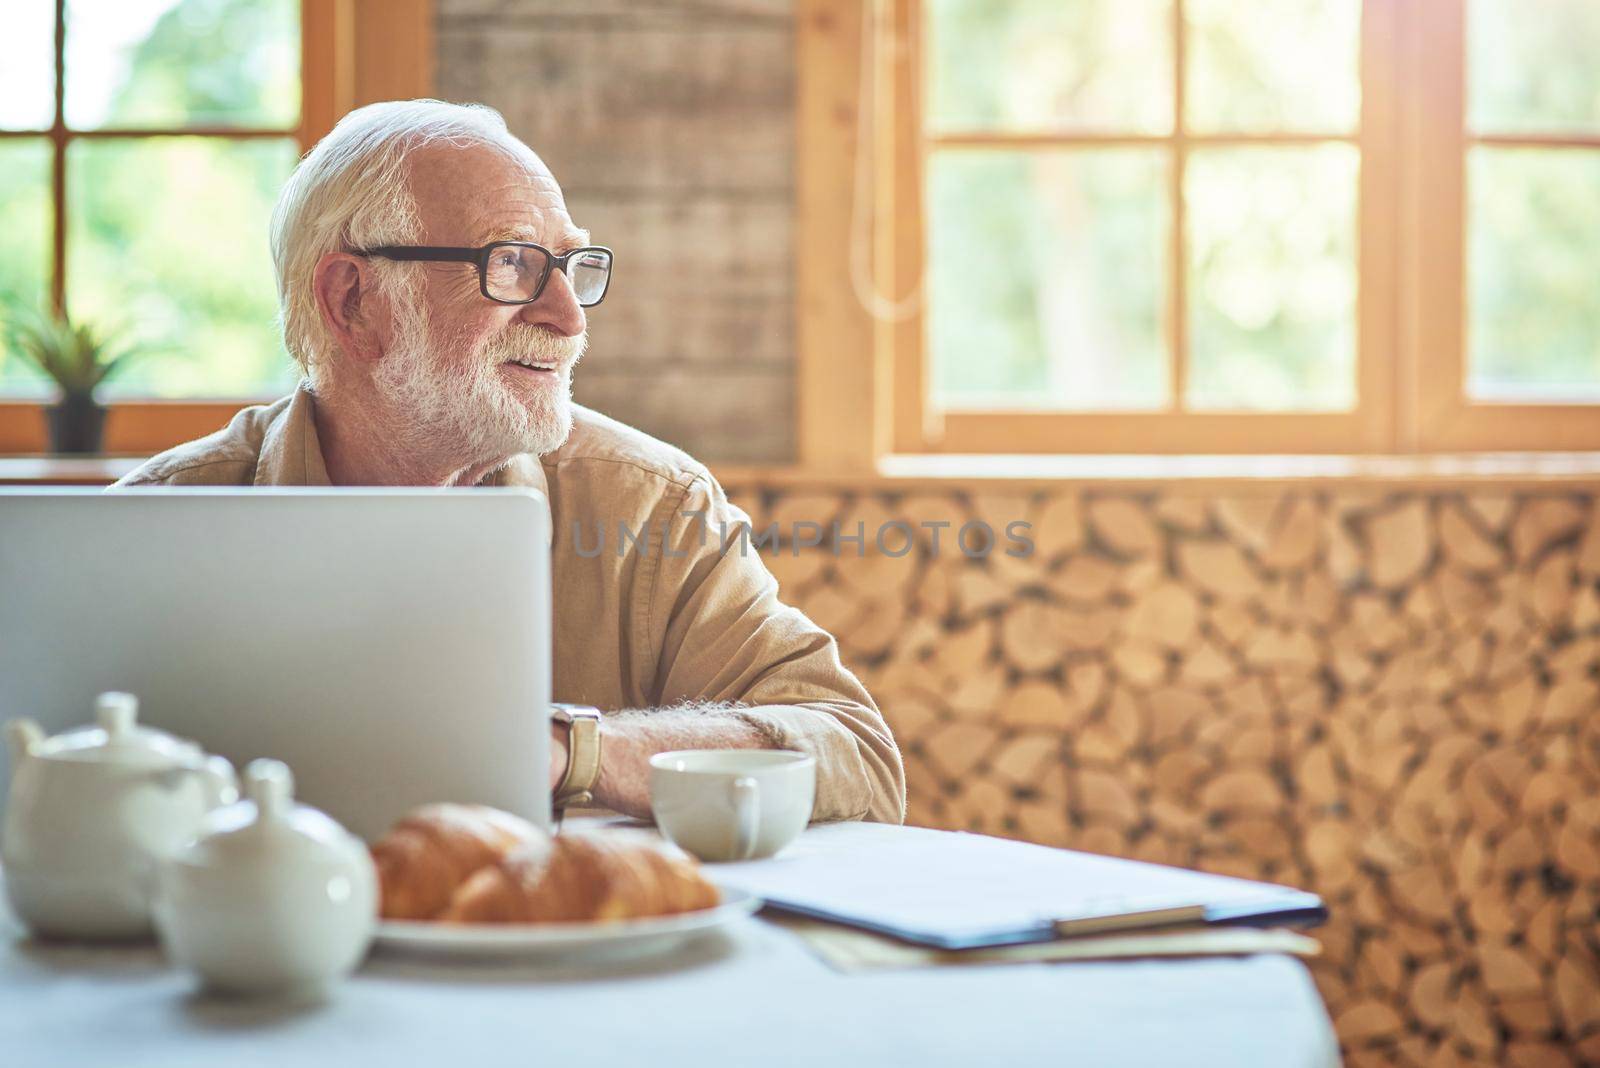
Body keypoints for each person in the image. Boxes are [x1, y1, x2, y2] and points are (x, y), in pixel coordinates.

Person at [114, 99, 905, 825]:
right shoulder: (147, 528)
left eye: (572, 267)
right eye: (514, 265)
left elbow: (857, 755)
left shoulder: (649, 507)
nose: (566, 319)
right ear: (352, 301)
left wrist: (571, 752)